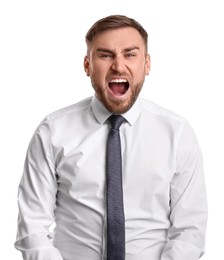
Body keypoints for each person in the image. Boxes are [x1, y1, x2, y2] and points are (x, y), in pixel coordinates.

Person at [15, 14, 208, 260]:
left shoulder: (178, 134)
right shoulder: (52, 131)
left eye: (130, 54)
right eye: (105, 55)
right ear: (87, 65)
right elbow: (32, 227)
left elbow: (190, 230)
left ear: (147, 64)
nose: (118, 65)